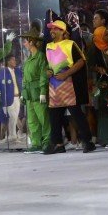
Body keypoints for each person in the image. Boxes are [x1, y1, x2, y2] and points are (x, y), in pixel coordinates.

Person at [44, 20, 96, 155]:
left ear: (62, 31)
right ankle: (58, 144)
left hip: (69, 85)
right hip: (54, 85)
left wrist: (66, 73)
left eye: (55, 28)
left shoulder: (70, 44)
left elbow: (81, 61)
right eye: (51, 28)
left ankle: (88, 142)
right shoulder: (48, 46)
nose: (52, 31)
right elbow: (49, 65)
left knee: (76, 114)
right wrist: (48, 71)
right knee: (54, 116)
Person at [20, 29, 49, 153]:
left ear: (31, 42)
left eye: (25, 41)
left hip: (37, 92)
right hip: (29, 94)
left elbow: (43, 75)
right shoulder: (29, 58)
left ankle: (47, 141)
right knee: (32, 120)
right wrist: (23, 93)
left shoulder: (40, 57)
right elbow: (25, 78)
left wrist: (43, 91)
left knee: (43, 118)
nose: (24, 43)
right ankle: (36, 143)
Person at [0, 54, 23, 147]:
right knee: (12, 117)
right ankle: (12, 136)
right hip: (8, 98)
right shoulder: (3, 71)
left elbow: (21, 82)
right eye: (13, 60)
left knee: (15, 117)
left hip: (17, 97)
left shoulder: (18, 71)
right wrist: (1, 100)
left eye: (15, 59)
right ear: (8, 62)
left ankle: (12, 136)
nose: (15, 61)